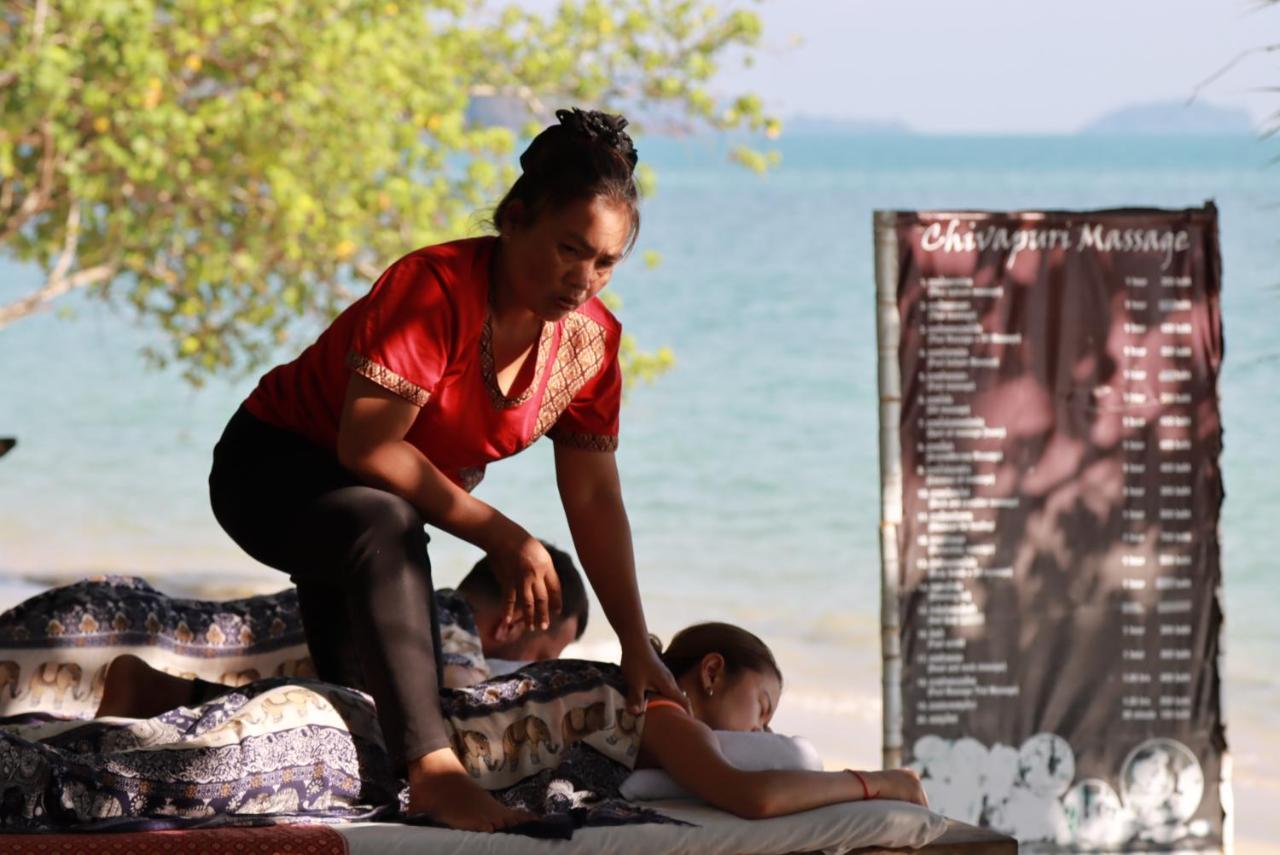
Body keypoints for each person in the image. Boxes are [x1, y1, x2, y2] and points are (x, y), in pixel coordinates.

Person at [205, 106, 685, 831]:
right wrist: (505, 536)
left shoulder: (592, 344)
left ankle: (150, 689)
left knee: (361, 719)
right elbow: (368, 447)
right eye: (568, 248)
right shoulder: (433, 289)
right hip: (273, 469)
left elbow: (593, 496)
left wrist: (633, 638)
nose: (583, 278)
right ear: (513, 219)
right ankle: (436, 777)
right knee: (387, 528)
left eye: (606, 262)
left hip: (374, 516)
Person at [93, 622, 928, 824]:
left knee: (162, 758)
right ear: (710, 673)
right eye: (762, 708)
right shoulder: (659, 704)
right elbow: (744, 794)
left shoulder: (613, 692)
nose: (760, 726)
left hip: (361, 728)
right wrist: (876, 781)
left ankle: (148, 683)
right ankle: (141, 691)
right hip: (353, 743)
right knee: (113, 779)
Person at [441, 540, 590, 688]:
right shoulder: (454, 640)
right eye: (542, 660)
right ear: (509, 627)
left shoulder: (428, 606)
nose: (540, 672)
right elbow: (458, 688)